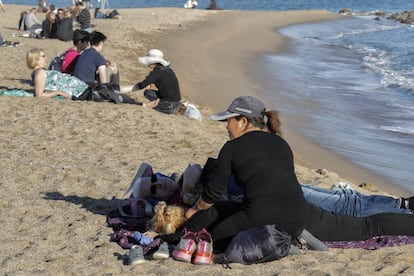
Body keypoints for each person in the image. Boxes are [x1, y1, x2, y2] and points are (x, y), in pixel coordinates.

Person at [157, 96, 414, 261]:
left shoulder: (231, 148)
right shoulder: (281, 144)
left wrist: (192, 211)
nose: (226, 126)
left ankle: (172, 237)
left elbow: (212, 194)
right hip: (301, 214)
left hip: (258, 216)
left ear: (243, 121)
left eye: (229, 120)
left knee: (210, 231)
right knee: (368, 227)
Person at [122, 49, 182, 114]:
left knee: (148, 101)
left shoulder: (158, 71)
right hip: (176, 101)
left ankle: (161, 104)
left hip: (170, 105)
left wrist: (124, 89)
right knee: (148, 92)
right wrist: (149, 81)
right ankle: (163, 103)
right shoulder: (167, 69)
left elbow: (142, 85)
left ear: (153, 62)